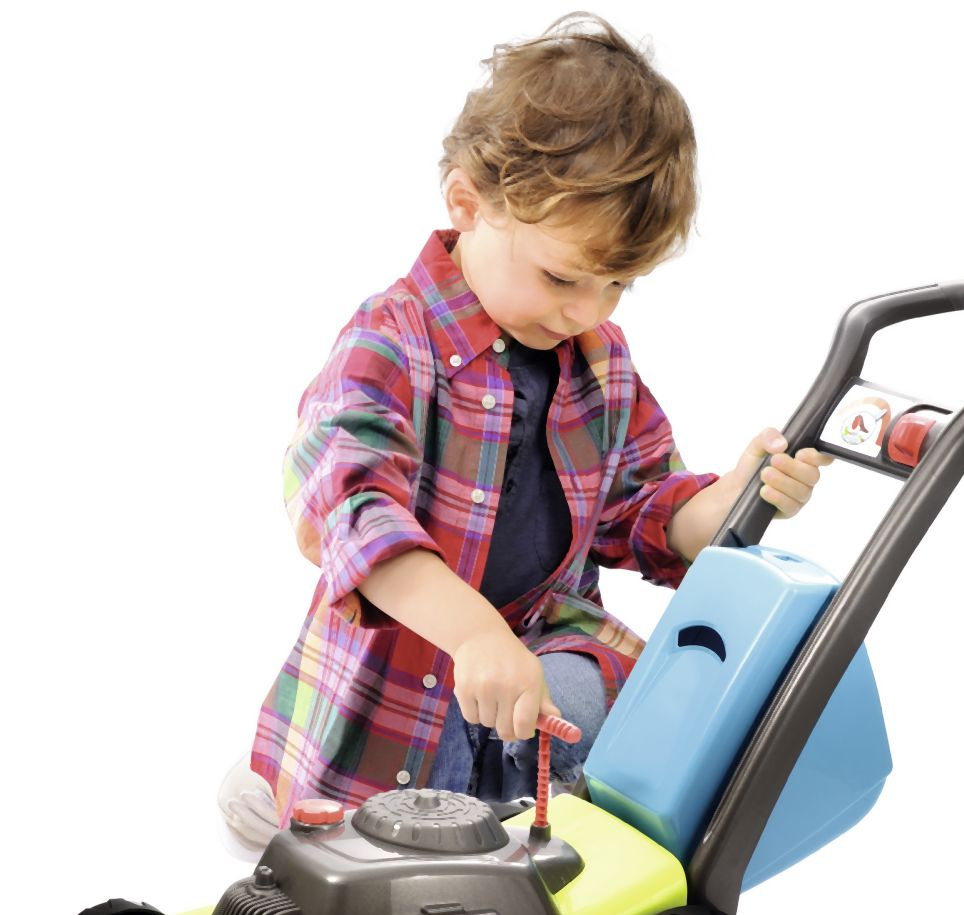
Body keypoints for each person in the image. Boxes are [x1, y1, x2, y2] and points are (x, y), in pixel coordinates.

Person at [219, 12, 832, 853]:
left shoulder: (599, 361)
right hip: (406, 677)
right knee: (364, 843)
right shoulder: (390, 341)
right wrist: (473, 633)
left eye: (616, 285)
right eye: (562, 277)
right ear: (467, 203)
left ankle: (530, 829)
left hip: (542, 643)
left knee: (622, 711)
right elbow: (351, 511)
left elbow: (639, 509)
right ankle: (284, 797)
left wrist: (730, 499)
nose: (586, 310)